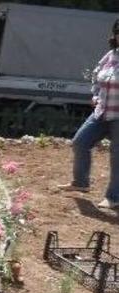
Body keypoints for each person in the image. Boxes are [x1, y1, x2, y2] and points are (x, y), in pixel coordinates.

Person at [57, 20, 119, 209]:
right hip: (101, 112)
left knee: (117, 156)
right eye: (118, 32)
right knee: (80, 142)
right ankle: (81, 182)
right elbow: (96, 74)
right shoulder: (111, 55)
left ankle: (114, 197)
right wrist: (94, 94)